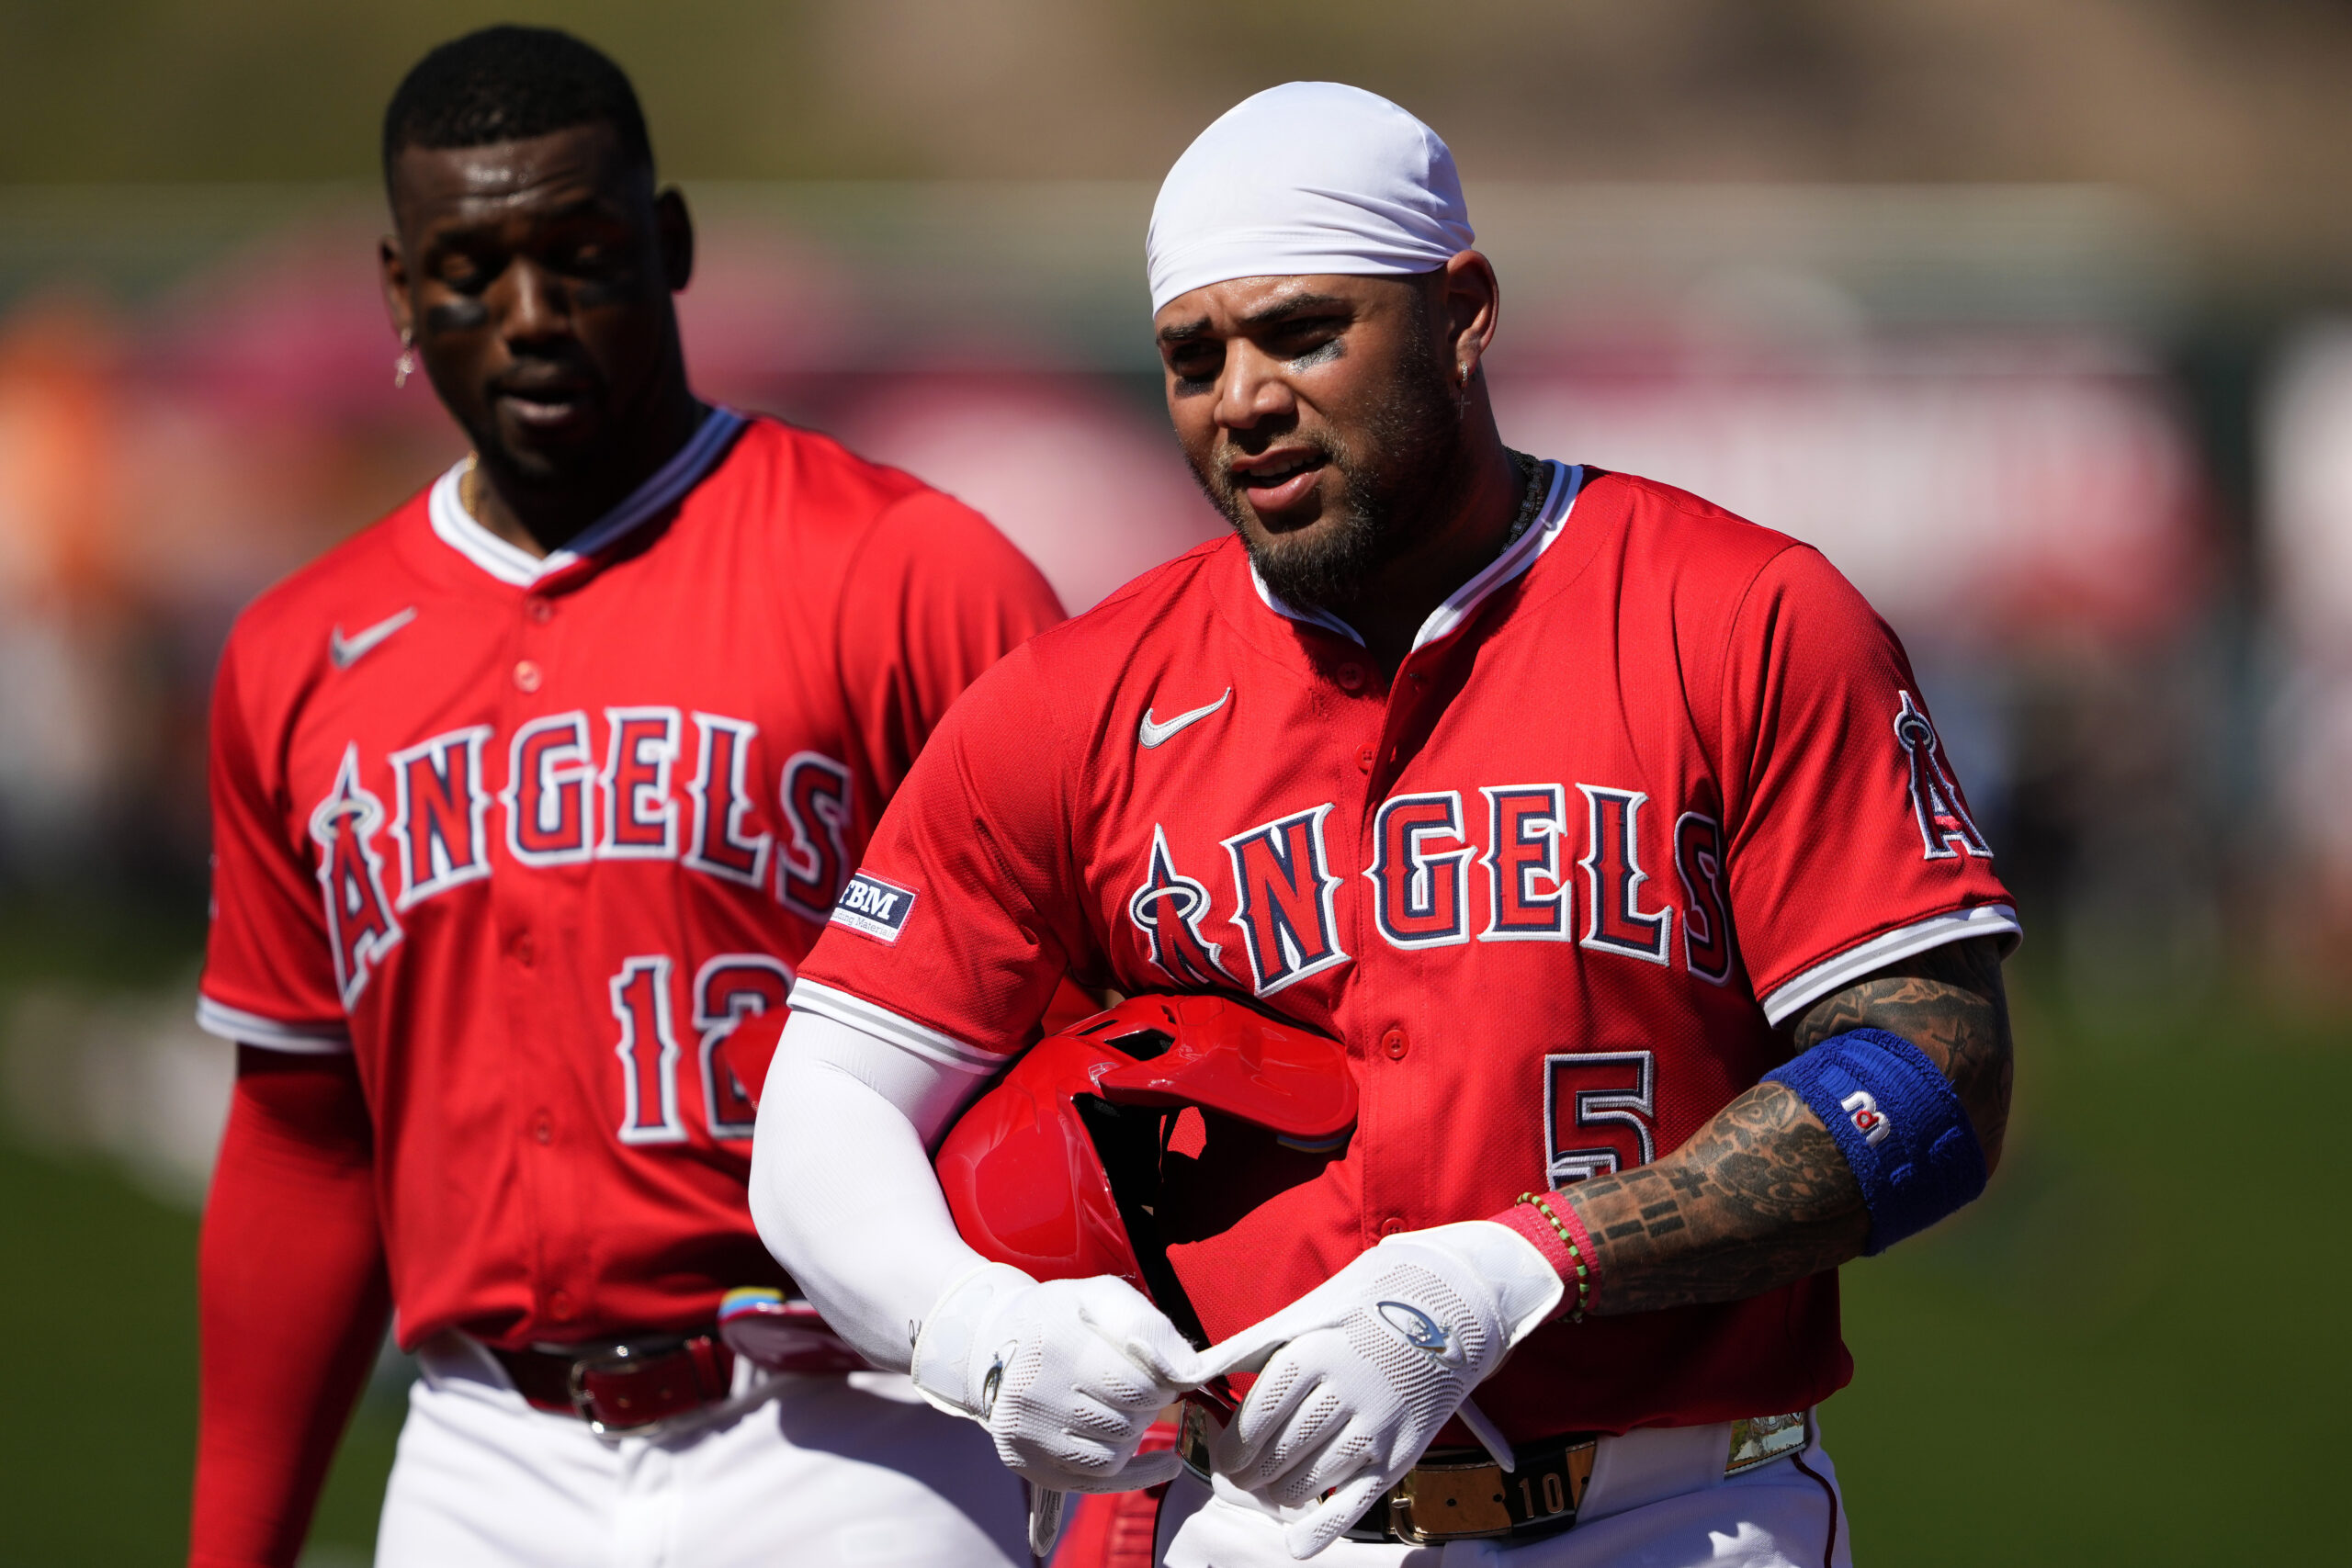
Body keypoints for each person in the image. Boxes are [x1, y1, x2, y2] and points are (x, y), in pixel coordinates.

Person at [750, 81, 2019, 1568]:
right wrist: (976, 1329)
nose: (1243, 398)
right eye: (1191, 355)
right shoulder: (1073, 702)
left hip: (1674, 1514)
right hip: (1256, 1528)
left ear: (1463, 311)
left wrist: (1518, 1270)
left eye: (1301, 331)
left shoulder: (1738, 616)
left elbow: (1935, 1083)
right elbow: (824, 1104)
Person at [189, 27, 1062, 1568]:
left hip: (856, 1429)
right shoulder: (296, 652)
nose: (528, 319)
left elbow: (1089, 1048)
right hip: (479, 1451)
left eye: (580, 253)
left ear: (667, 247)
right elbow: (307, 1134)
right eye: (467, 271)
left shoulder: (913, 575)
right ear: (399, 293)